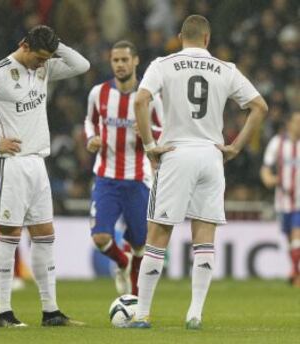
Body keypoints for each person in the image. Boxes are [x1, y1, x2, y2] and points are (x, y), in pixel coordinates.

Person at [128, 15, 268, 329]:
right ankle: (195, 313)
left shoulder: (163, 64)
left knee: (158, 234)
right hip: (211, 154)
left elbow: (140, 100)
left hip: (176, 153)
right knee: (204, 237)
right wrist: (234, 147)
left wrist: (150, 144)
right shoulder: (226, 68)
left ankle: (141, 315)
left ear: (180, 37)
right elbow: (260, 106)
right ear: (207, 38)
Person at [0, 25, 90, 327]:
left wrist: (55, 46)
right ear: (23, 46)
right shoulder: (0, 73)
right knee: (10, 236)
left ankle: (51, 311)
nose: (43, 64)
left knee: (44, 235)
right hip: (10, 164)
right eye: (40, 57)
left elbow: (83, 65)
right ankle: (4, 313)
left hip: (37, 163)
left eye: (47, 59)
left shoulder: (42, 67)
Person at [84, 40, 163, 296]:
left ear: (136, 61)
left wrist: (149, 134)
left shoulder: (150, 97)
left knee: (140, 243)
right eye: (115, 60)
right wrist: (91, 138)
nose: (119, 65)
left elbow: (164, 131)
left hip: (138, 179)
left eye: (124, 60)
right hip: (106, 177)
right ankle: (122, 262)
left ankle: (135, 297)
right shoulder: (99, 93)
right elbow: (90, 121)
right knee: (100, 238)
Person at [261, 111, 300, 287]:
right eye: (297, 122)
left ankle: (295, 272)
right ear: (290, 124)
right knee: (290, 240)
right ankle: (295, 271)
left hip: (299, 200)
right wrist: (268, 177)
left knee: (296, 234)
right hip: (282, 201)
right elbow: (266, 167)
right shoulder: (278, 142)